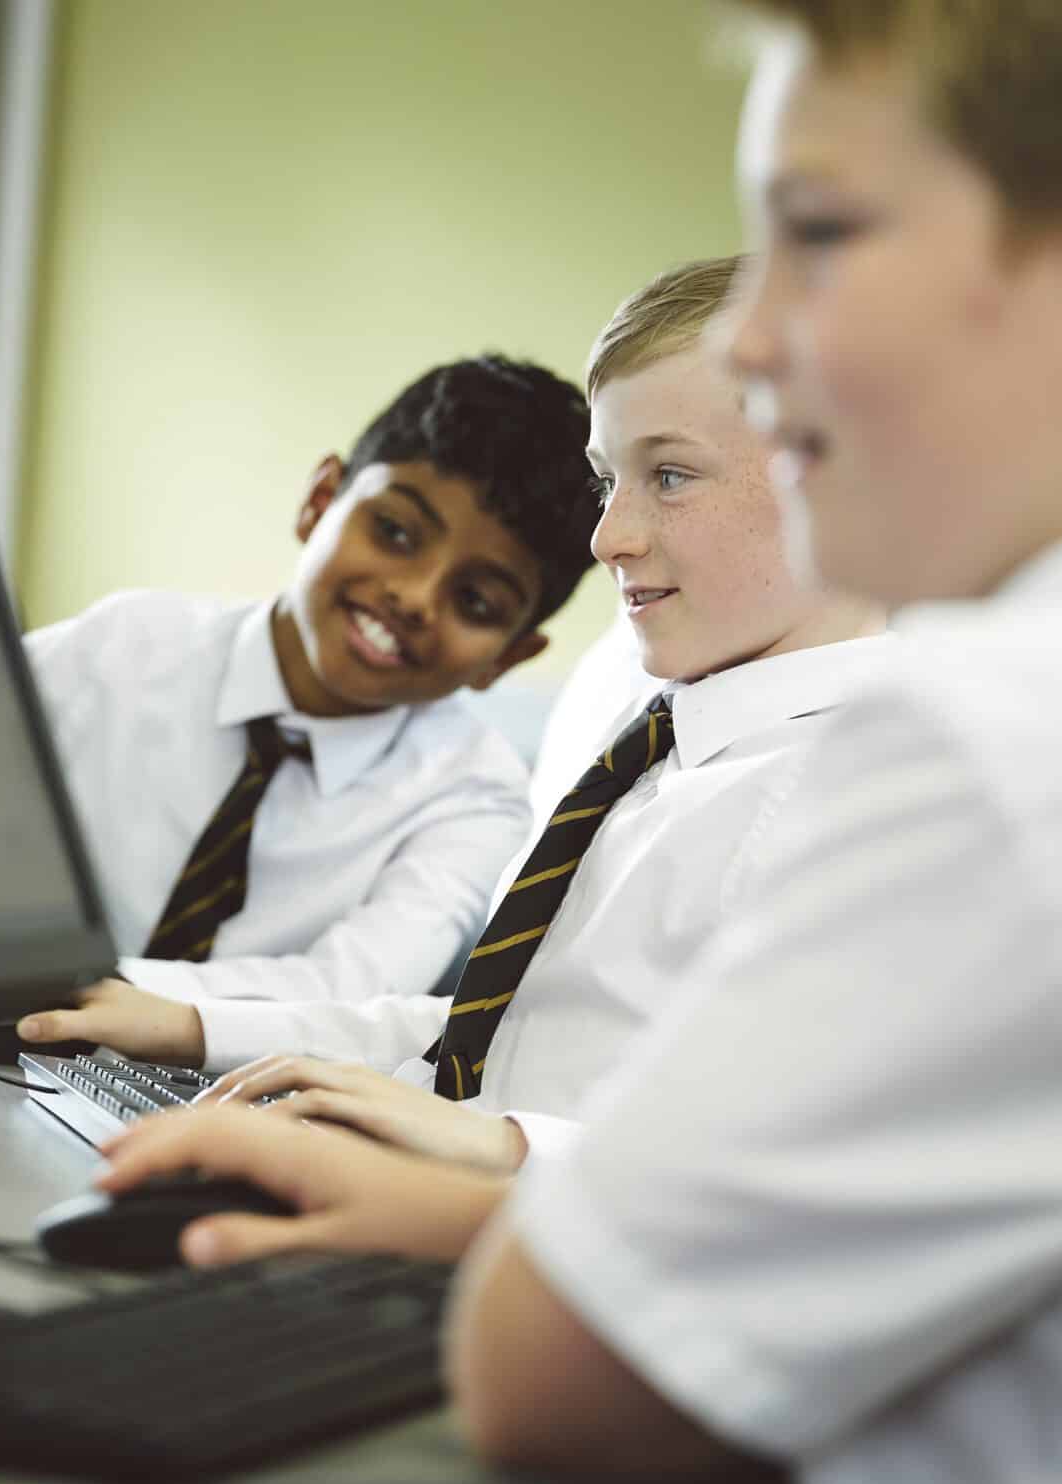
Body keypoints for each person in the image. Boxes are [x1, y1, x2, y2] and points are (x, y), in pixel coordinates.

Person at [100, 1, 1062, 1484]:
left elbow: (548, 1379)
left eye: (820, 236)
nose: (758, 340)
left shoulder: (1027, 740)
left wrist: (489, 1184)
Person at [188, 256, 885, 1173]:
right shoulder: (647, 722)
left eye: (670, 475)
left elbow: (792, 1175)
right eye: (607, 481)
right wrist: (193, 1027)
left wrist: (501, 1148)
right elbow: (512, 1034)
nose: (606, 537)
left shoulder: (870, 804)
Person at [15, 357, 595, 1063]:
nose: (414, 597)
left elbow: (350, 996)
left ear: (506, 658)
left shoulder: (475, 798)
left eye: (475, 602)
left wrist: (88, 989)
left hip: (226, 1100)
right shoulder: (121, 645)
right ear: (319, 501)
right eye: (396, 533)